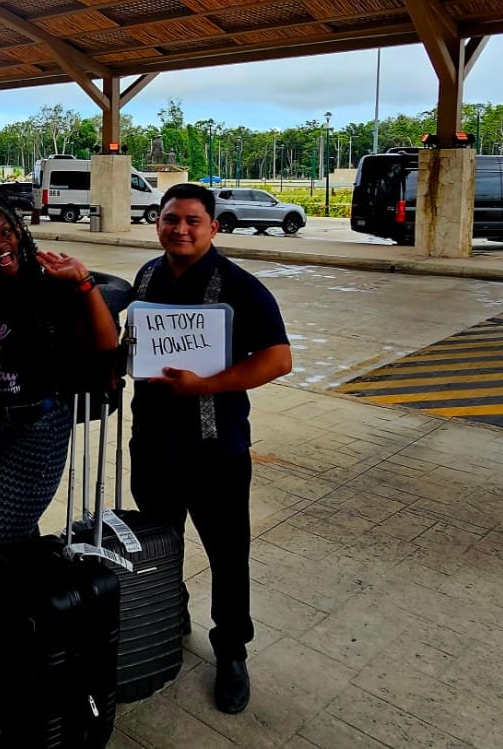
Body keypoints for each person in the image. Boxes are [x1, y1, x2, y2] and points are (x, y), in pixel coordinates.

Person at [128, 183, 292, 716]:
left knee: (227, 554)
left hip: (214, 449)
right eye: (170, 218)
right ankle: (169, 617)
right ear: (158, 222)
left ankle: (231, 651)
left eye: (192, 221)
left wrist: (208, 386)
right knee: (160, 542)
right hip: (152, 445)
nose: (179, 229)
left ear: (213, 227)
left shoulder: (240, 288)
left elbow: (278, 359)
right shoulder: (147, 277)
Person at [0, 193, 118, 556]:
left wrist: (84, 281)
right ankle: (30, 613)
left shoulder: (47, 285)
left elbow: (107, 342)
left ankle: (7, 613)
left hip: (37, 430)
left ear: (20, 233)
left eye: (6, 232)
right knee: (19, 534)